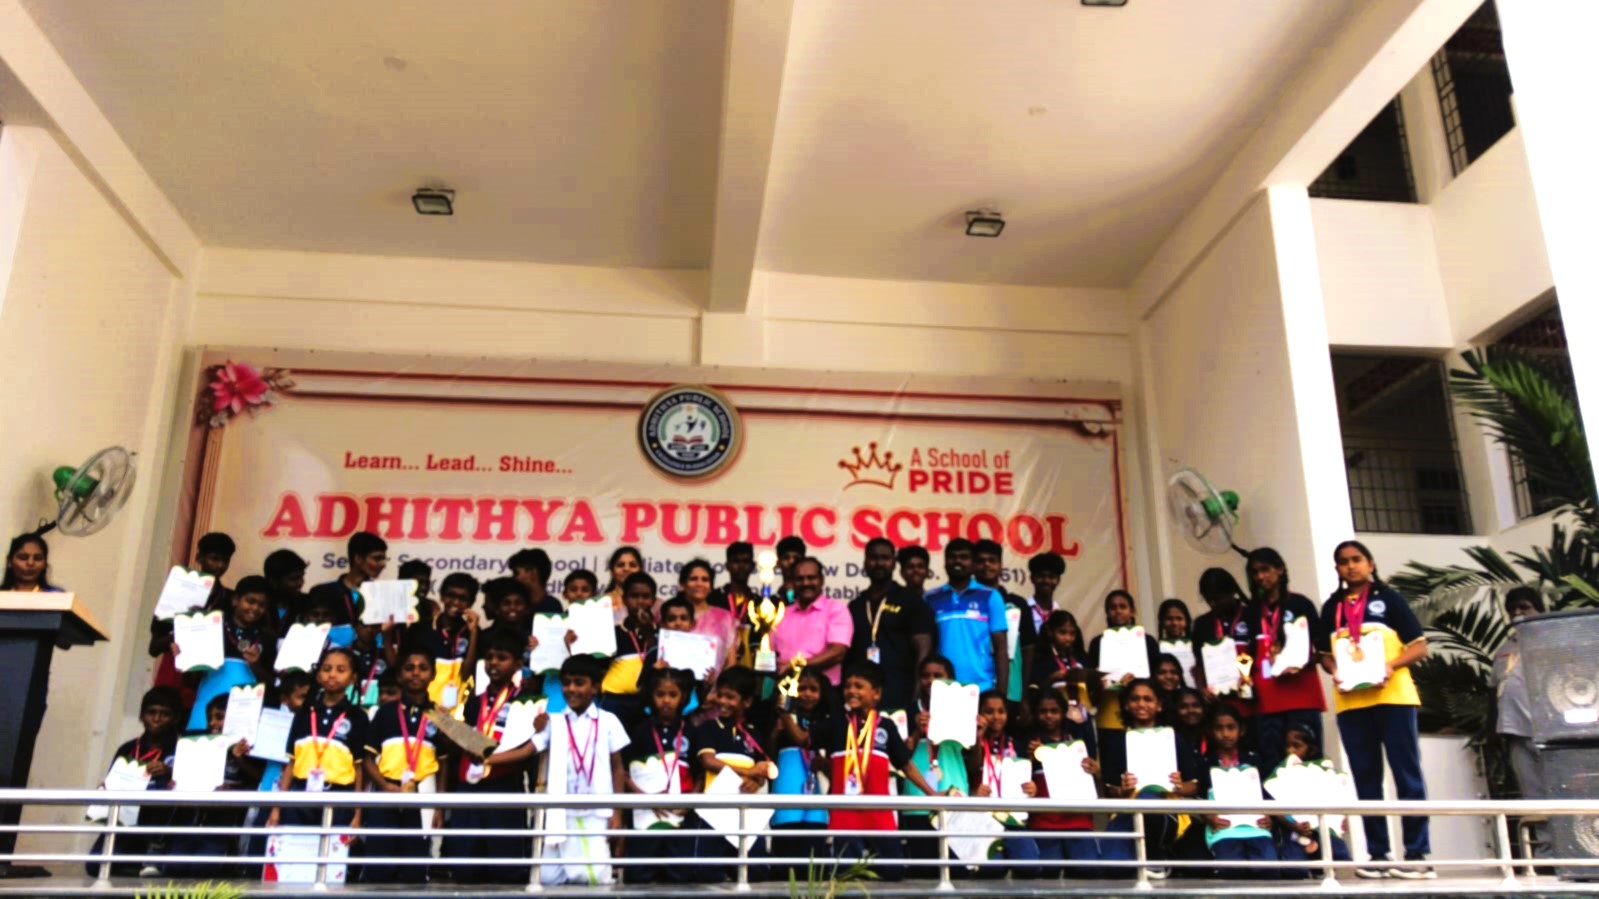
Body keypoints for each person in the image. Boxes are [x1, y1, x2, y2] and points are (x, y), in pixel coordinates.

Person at [1315, 539, 1432, 879]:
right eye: (1343, 562)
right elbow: (1324, 654)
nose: (1351, 566)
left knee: (1407, 776)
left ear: (1371, 563)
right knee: (1366, 779)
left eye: (1357, 559)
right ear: (1337, 569)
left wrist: (1391, 666)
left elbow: (1420, 647)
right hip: (1351, 701)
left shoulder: (1389, 599)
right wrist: (1334, 670)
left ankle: (1417, 855)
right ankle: (1378, 854)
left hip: (1393, 698)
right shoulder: (1332, 607)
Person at [815, 660, 942, 880]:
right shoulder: (836, 722)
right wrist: (785, 712)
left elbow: (905, 764)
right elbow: (806, 741)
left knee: (894, 871)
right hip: (845, 811)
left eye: (859, 686)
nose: (851, 691)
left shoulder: (886, 725)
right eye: (847, 686)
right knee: (845, 874)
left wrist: (931, 793)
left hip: (879, 811)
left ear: (876, 693)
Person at [442, 627, 538, 884]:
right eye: (490, 657)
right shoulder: (473, 701)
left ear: (518, 664)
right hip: (469, 783)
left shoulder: (526, 701)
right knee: (465, 864)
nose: (494, 663)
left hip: (504, 783)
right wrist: (446, 728)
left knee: (505, 866)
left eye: (502, 657)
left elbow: (527, 749)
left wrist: (484, 755)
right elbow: (458, 744)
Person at [532, 654, 631, 886]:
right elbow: (528, 750)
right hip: (560, 813)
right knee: (549, 876)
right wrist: (489, 758)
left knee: (594, 876)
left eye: (579, 683)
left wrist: (617, 812)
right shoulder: (553, 721)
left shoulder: (608, 720)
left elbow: (618, 768)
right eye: (566, 683)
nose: (571, 689)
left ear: (595, 687)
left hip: (597, 813)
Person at [1098, 679, 1202, 877]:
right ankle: (1147, 859)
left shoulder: (1174, 738)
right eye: (1135, 699)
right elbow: (1111, 789)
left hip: (1168, 811)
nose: (1141, 704)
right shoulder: (1117, 742)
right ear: (1126, 705)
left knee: (1147, 799)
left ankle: (1155, 855)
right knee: (1112, 866)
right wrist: (1123, 789)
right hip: (1129, 810)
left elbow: (1194, 786)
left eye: (1148, 699)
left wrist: (1180, 786)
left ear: (1159, 705)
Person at [361, 648, 442, 883]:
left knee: (414, 868)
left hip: (423, 794)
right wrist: (384, 785)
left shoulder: (440, 715)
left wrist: (439, 805)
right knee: (379, 865)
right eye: (409, 668)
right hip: (386, 791)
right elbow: (367, 759)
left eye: (423, 668)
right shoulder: (385, 713)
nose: (416, 673)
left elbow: (449, 761)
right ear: (399, 675)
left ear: (433, 675)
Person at [266, 647, 368, 830]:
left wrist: (357, 814)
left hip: (339, 797)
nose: (332, 675)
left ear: (353, 678)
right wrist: (276, 809)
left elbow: (359, 768)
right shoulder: (304, 713)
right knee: (296, 847)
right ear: (318, 676)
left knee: (331, 847)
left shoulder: (357, 716)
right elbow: (291, 763)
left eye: (341, 670)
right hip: (300, 793)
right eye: (326, 669)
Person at [1245, 547, 1326, 773]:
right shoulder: (1251, 611)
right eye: (1255, 572)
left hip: (1301, 695)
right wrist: (1245, 676)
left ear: (1280, 569)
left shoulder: (1301, 604)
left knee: (1308, 764)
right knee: (1273, 766)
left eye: (1265, 569)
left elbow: (1322, 649)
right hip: (1267, 698)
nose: (1260, 576)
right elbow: (1245, 654)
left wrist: (1303, 662)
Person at [86, 686, 181, 877]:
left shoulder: (182, 749)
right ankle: (137, 864)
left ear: (175, 719)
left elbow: (193, 785)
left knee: (158, 790)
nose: (156, 719)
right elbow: (111, 781)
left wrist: (170, 772)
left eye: (164, 714)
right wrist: (104, 788)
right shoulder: (127, 749)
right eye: (151, 712)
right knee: (94, 866)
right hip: (126, 822)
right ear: (141, 716)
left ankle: (154, 852)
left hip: (161, 827)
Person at [690, 667, 771, 878]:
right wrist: (749, 771)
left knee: (754, 872)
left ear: (747, 702)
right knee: (706, 873)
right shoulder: (708, 728)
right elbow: (708, 761)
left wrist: (756, 780)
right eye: (720, 694)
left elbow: (764, 771)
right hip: (714, 810)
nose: (722, 701)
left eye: (730, 697)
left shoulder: (754, 734)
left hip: (745, 812)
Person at [621, 666, 699, 882]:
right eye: (660, 694)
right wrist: (644, 798)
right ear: (651, 696)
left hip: (680, 816)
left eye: (672, 695)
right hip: (645, 815)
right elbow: (624, 772)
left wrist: (691, 802)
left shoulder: (691, 731)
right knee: (639, 877)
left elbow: (700, 774)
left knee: (679, 877)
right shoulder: (640, 730)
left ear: (683, 697)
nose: (666, 700)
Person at [845, 537, 933, 711]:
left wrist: (918, 691)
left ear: (894, 563)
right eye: (873, 558)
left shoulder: (911, 601)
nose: (879, 563)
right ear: (865, 562)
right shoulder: (856, 605)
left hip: (900, 690)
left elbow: (924, 649)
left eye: (885, 558)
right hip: (862, 695)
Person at [902, 654, 970, 877]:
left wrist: (979, 735)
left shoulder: (964, 709)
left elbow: (973, 760)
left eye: (937, 675)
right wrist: (916, 731)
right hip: (918, 798)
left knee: (957, 871)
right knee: (923, 871)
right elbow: (901, 757)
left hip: (954, 794)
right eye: (925, 676)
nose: (930, 681)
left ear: (950, 678)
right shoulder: (908, 711)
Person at [186, 575, 277, 732]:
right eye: (250, 601)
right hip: (207, 709)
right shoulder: (212, 627)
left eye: (262, 605)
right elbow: (191, 678)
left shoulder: (267, 638)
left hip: (245, 714)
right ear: (235, 600)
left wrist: (255, 665)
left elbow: (271, 684)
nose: (255, 608)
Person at [767, 666, 832, 879]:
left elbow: (803, 740)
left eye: (813, 689)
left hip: (816, 787)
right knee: (787, 837)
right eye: (802, 688)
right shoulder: (780, 717)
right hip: (787, 781)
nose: (807, 694)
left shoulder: (826, 720)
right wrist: (775, 733)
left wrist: (825, 764)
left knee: (813, 838)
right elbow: (768, 754)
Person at [967, 689, 1039, 876]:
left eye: (1001, 711)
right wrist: (978, 737)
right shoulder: (968, 742)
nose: (996, 717)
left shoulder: (1018, 743)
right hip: (983, 817)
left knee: (1030, 867)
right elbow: (972, 769)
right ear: (978, 714)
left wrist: (1032, 788)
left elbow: (1026, 776)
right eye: (989, 711)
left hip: (1012, 816)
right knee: (992, 870)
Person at [1200, 705, 1277, 877]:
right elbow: (1199, 795)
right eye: (1219, 728)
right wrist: (1208, 816)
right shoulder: (1205, 763)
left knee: (1268, 870)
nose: (1225, 734)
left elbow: (1268, 794)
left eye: (1231, 727)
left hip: (1257, 827)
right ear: (1211, 731)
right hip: (1224, 829)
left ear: (1241, 730)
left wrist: (1270, 816)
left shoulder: (1255, 760)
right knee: (1230, 871)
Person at [1087, 590, 1159, 774]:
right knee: (1112, 767)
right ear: (1106, 612)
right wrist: (1101, 683)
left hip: (1142, 712)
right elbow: (1091, 684)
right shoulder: (1097, 643)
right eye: (1112, 608)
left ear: (1132, 611)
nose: (1118, 611)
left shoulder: (1148, 642)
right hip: (1109, 714)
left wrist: (1138, 682)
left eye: (1123, 607)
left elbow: (1156, 680)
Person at [1027, 689, 1101, 868]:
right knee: (1048, 871)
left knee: (1088, 870)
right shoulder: (1028, 743)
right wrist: (1029, 760)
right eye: (1043, 711)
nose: (1048, 716)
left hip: (1078, 819)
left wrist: (1096, 770)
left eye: (1054, 711)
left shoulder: (1078, 740)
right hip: (1043, 821)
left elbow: (1095, 779)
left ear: (1063, 713)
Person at [924, 539, 1008, 691]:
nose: (957, 561)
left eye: (964, 557)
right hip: (942, 686)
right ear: (945, 562)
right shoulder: (931, 598)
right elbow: (926, 646)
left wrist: (1001, 692)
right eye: (952, 557)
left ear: (973, 563)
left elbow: (1001, 648)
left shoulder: (990, 596)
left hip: (982, 686)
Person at [1494, 587, 1546, 818]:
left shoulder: (1554, 643)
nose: (1517, 613)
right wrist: (1493, 731)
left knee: (1563, 792)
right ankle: (1544, 841)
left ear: (1540, 610)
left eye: (1524, 607)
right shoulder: (1504, 650)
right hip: (1516, 732)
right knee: (1533, 798)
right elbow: (1494, 691)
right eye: (1512, 609)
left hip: (1550, 733)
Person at [1191, 568, 1257, 746]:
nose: (1213, 604)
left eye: (1218, 598)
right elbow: (1198, 664)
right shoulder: (1202, 624)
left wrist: (1251, 677)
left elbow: (1260, 655)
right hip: (1218, 705)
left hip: (1250, 702)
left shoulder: (1252, 616)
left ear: (1232, 592)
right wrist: (1202, 688)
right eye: (1209, 600)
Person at [1274, 724, 1352, 875]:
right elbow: (1275, 808)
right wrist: (1294, 825)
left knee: (1340, 855)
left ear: (1311, 749)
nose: (1290, 751)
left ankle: (1321, 868)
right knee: (1295, 870)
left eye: (1297, 746)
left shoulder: (1325, 772)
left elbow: (1337, 799)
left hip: (1322, 827)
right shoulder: (1280, 773)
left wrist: (1342, 819)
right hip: (1294, 829)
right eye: (1287, 746)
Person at [769, 557, 852, 685]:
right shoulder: (781, 614)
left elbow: (838, 653)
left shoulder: (836, 610)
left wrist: (796, 666)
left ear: (821, 580)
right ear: (793, 582)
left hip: (823, 691)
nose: (806, 583)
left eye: (811, 578)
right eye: (800, 579)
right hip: (784, 688)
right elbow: (770, 654)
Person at [974, 539, 1036, 707]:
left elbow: (1028, 651)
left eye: (992, 560)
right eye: (981, 561)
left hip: (1011, 690)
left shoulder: (1017, 603)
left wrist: (1024, 695)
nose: (986, 565)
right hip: (975, 687)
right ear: (972, 565)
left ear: (1001, 565)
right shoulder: (964, 604)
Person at [603, 572, 659, 727]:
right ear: (624, 599)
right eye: (634, 596)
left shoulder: (662, 634)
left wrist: (649, 633)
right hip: (616, 701)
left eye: (646, 596)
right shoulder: (613, 633)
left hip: (650, 702)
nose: (640, 601)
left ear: (653, 601)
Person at [308, 531, 388, 626]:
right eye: (377, 558)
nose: (383, 564)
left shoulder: (383, 594)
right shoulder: (323, 593)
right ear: (358, 559)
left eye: (383, 559)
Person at [1028, 609, 1093, 716]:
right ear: (1050, 632)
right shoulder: (1042, 660)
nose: (1068, 638)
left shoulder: (1082, 658)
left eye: (1072, 634)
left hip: (1083, 716)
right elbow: (1034, 695)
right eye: (1062, 632)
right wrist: (1052, 679)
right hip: (1053, 718)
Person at [682, 558, 741, 674]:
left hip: (715, 683)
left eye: (705, 580)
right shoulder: (673, 614)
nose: (699, 584)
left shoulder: (724, 617)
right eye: (693, 579)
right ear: (683, 584)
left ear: (711, 586)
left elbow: (731, 661)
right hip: (676, 683)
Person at [263, 549, 309, 626]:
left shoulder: (306, 603)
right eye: (293, 579)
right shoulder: (259, 606)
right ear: (274, 581)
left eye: (301, 577)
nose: (300, 583)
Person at [508, 548, 561, 614]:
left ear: (532, 574)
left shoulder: (552, 606)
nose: (513, 578)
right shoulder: (515, 607)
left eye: (516, 573)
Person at [1025, 552, 1066, 635]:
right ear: (1032, 578)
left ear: (1058, 580)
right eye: (1041, 576)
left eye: (1051, 576)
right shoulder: (1024, 609)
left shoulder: (1059, 613)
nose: (1046, 581)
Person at [195, 531, 237, 610]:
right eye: (215, 559)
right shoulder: (182, 588)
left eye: (225, 560)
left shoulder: (231, 599)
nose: (220, 565)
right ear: (199, 558)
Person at [601, 546, 644, 622]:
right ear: (612, 571)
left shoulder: (654, 603)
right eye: (620, 565)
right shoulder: (602, 602)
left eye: (632, 565)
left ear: (640, 569)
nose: (626, 569)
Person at [775, 535, 807, 602]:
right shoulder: (775, 598)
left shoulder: (810, 596)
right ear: (778, 563)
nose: (791, 562)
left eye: (796, 558)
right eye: (786, 558)